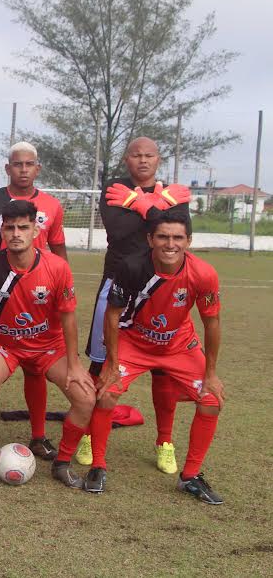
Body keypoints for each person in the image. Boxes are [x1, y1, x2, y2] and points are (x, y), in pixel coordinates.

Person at [85, 213, 224, 504]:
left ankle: (190, 477)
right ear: (151, 240)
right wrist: (111, 363)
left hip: (179, 345)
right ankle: (97, 466)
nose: (170, 244)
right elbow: (112, 316)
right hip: (134, 342)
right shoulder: (132, 267)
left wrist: (210, 373)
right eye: (163, 237)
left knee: (211, 400)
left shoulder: (204, 274)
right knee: (107, 393)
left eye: (177, 238)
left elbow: (212, 324)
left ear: (188, 241)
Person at [0, 200, 94, 487]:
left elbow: (69, 318)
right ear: (2, 232)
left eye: (23, 227)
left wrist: (74, 365)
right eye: (9, 228)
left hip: (49, 345)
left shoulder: (57, 267)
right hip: (6, 345)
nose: (16, 233)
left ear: (36, 229)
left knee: (86, 397)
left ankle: (62, 463)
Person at [81, 137, 191, 472]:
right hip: (117, 284)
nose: (142, 160)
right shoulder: (114, 188)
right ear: (127, 159)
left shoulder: (176, 191)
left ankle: (165, 441)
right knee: (101, 364)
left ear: (158, 159)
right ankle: (87, 434)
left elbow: (178, 232)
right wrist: (157, 206)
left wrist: (141, 204)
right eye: (136, 155)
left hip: (161, 289)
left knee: (163, 369)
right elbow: (121, 231)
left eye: (149, 155)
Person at [0, 142, 68, 460]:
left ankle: (38, 436)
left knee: (36, 369)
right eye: (17, 164)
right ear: (7, 168)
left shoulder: (52, 205)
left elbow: (59, 250)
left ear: (37, 168)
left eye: (29, 164)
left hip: (39, 297)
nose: (23, 169)